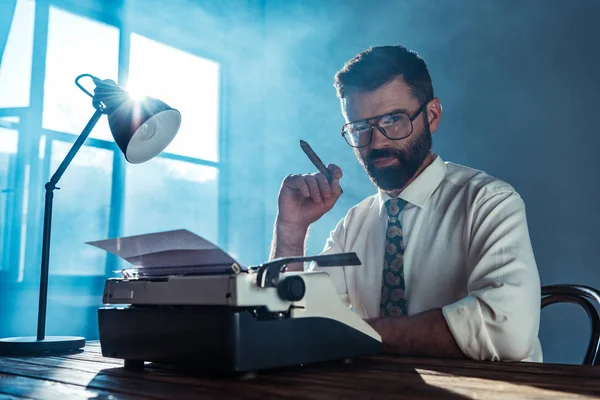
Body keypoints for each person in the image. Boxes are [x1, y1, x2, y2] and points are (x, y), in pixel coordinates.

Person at [269, 45, 542, 362]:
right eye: (360, 128)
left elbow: (506, 334)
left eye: (393, 119)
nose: (378, 141)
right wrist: (291, 228)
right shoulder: (353, 224)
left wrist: (360, 333)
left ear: (432, 115)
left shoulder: (489, 202)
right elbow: (294, 323)